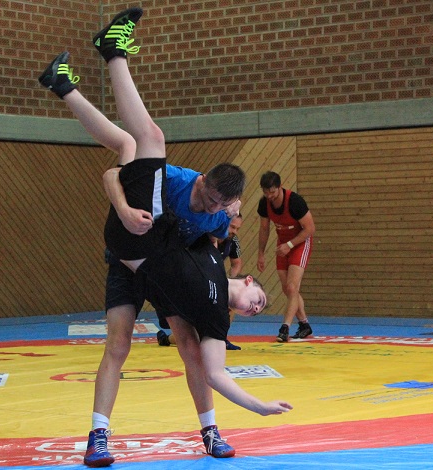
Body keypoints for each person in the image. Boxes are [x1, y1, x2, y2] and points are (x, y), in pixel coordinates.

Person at [38, 8, 291, 467]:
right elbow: (112, 176)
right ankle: (98, 434)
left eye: (220, 208)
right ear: (201, 182)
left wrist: (225, 224)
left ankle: (210, 430)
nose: (210, 210)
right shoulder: (175, 179)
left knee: (191, 348)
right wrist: (122, 208)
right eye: (208, 200)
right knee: (140, 142)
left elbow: (210, 265)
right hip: (132, 249)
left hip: (162, 268)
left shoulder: (218, 234)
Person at [158, 215, 244, 350]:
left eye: (237, 229)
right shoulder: (205, 236)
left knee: (231, 300)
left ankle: (221, 337)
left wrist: (229, 281)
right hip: (193, 280)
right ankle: (166, 338)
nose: (234, 231)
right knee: (193, 334)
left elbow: (237, 263)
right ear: (223, 223)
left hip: (212, 280)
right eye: (232, 227)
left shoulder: (233, 241)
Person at [257, 171, 315, 342]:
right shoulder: (264, 203)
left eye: (272, 192)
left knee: (291, 287)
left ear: (280, 187)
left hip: (299, 243)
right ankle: (304, 324)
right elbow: (264, 229)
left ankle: (285, 327)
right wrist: (261, 253)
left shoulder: (295, 202)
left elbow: (310, 229)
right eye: (266, 192)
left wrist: (290, 245)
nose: (269, 196)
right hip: (282, 245)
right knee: (287, 289)